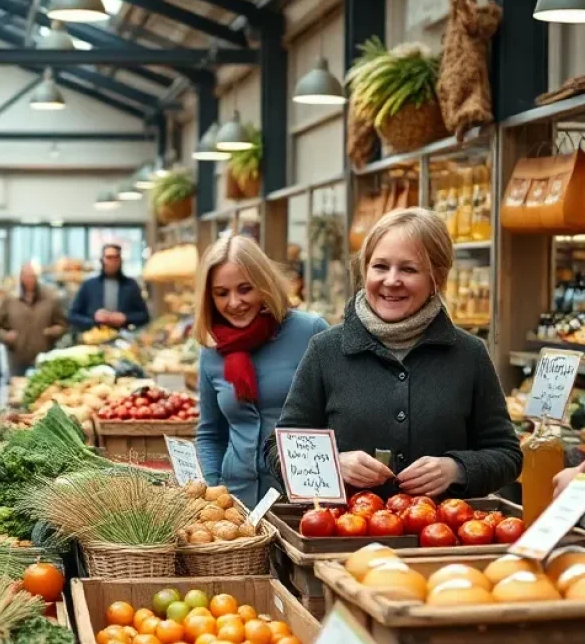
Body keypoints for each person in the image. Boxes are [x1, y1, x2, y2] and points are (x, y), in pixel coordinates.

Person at [266, 207, 522, 499]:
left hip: (443, 540)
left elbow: (507, 455)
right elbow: (277, 449)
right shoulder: (326, 351)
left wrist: (456, 468)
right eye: (380, 267)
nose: (391, 280)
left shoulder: (469, 355)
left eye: (409, 269)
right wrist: (334, 464)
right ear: (365, 271)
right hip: (344, 538)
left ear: (436, 277)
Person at [194, 235, 328, 508]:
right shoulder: (212, 352)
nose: (234, 302)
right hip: (236, 500)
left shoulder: (310, 332)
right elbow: (210, 434)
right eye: (221, 293)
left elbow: (339, 415)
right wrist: (213, 491)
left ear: (264, 284)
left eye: (245, 289)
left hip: (301, 501)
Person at [0, 263, 67, 378]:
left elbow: (63, 325)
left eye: (32, 276)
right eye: (26, 276)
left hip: (44, 357)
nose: (29, 280)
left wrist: (53, 332)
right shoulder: (10, 299)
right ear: (20, 277)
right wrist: (6, 336)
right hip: (17, 359)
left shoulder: (50, 298)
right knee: (17, 391)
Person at [67, 243, 150, 332]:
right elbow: (73, 315)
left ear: (121, 260)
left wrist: (125, 318)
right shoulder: (89, 285)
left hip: (124, 337)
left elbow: (144, 316)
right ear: (102, 260)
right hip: (94, 337)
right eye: (109, 257)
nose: (113, 261)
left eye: (116, 257)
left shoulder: (130, 285)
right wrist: (94, 321)